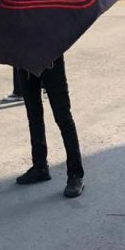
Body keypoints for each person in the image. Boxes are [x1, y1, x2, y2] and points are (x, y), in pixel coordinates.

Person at [16, 56, 85, 198]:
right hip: (24, 62)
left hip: (51, 60)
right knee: (34, 116)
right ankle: (40, 167)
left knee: (63, 118)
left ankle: (75, 174)